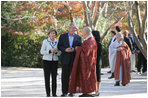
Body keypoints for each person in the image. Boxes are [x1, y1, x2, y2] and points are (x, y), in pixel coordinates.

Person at [69, 27, 97, 97]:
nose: (82, 33)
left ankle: (89, 92)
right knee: (84, 77)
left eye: (83, 31)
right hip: (86, 62)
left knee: (87, 77)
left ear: (87, 32)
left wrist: (77, 48)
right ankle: (86, 91)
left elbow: (86, 51)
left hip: (88, 63)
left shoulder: (90, 40)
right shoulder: (89, 39)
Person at [58, 23, 82, 97]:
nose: (74, 29)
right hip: (65, 58)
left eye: (75, 28)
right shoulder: (62, 36)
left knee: (73, 76)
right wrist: (65, 49)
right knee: (65, 76)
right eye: (72, 28)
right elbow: (59, 46)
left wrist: (74, 49)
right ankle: (64, 92)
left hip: (74, 59)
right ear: (69, 28)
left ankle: (71, 91)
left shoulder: (78, 37)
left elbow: (80, 47)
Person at [40, 28, 61, 97]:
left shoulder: (57, 42)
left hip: (54, 61)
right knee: (47, 78)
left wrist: (56, 52)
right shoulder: (45, 41)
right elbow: (42, 51)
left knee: (54, 78)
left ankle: (54, 94)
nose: (53, 34)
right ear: (49, 34)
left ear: (55, 35)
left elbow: (60, 53)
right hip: (46, 61)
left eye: (54, 33)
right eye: (51, 33)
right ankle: (48, 94)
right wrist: (49, 51)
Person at [92, 30, 102, 96]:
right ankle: (96, 90)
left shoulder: (95, 44)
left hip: (96, 61)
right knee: (97, 75)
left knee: (96, 75)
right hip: (97, 61)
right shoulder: (98, 43)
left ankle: (97, 90)